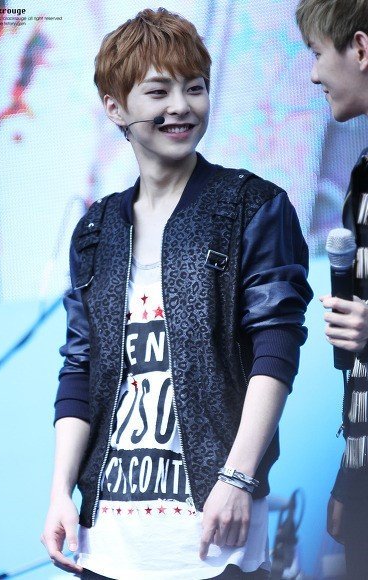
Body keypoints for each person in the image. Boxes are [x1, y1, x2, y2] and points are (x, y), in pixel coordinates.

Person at [41, 8, 312, 579]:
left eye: (195, 88)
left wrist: (238, 477)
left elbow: (276, 346)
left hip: (213, 531)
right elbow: (79, 367)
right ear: (115, 107)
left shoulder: (252, 206)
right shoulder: (95, 231)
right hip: (107, 536)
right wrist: (60, 492)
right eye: (158, 91)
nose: (181, 106)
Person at [296, 1, 368, 578]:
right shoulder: (363, 170)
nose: (314, 74)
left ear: (360, 50)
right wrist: (352, 475)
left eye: (318, 54)